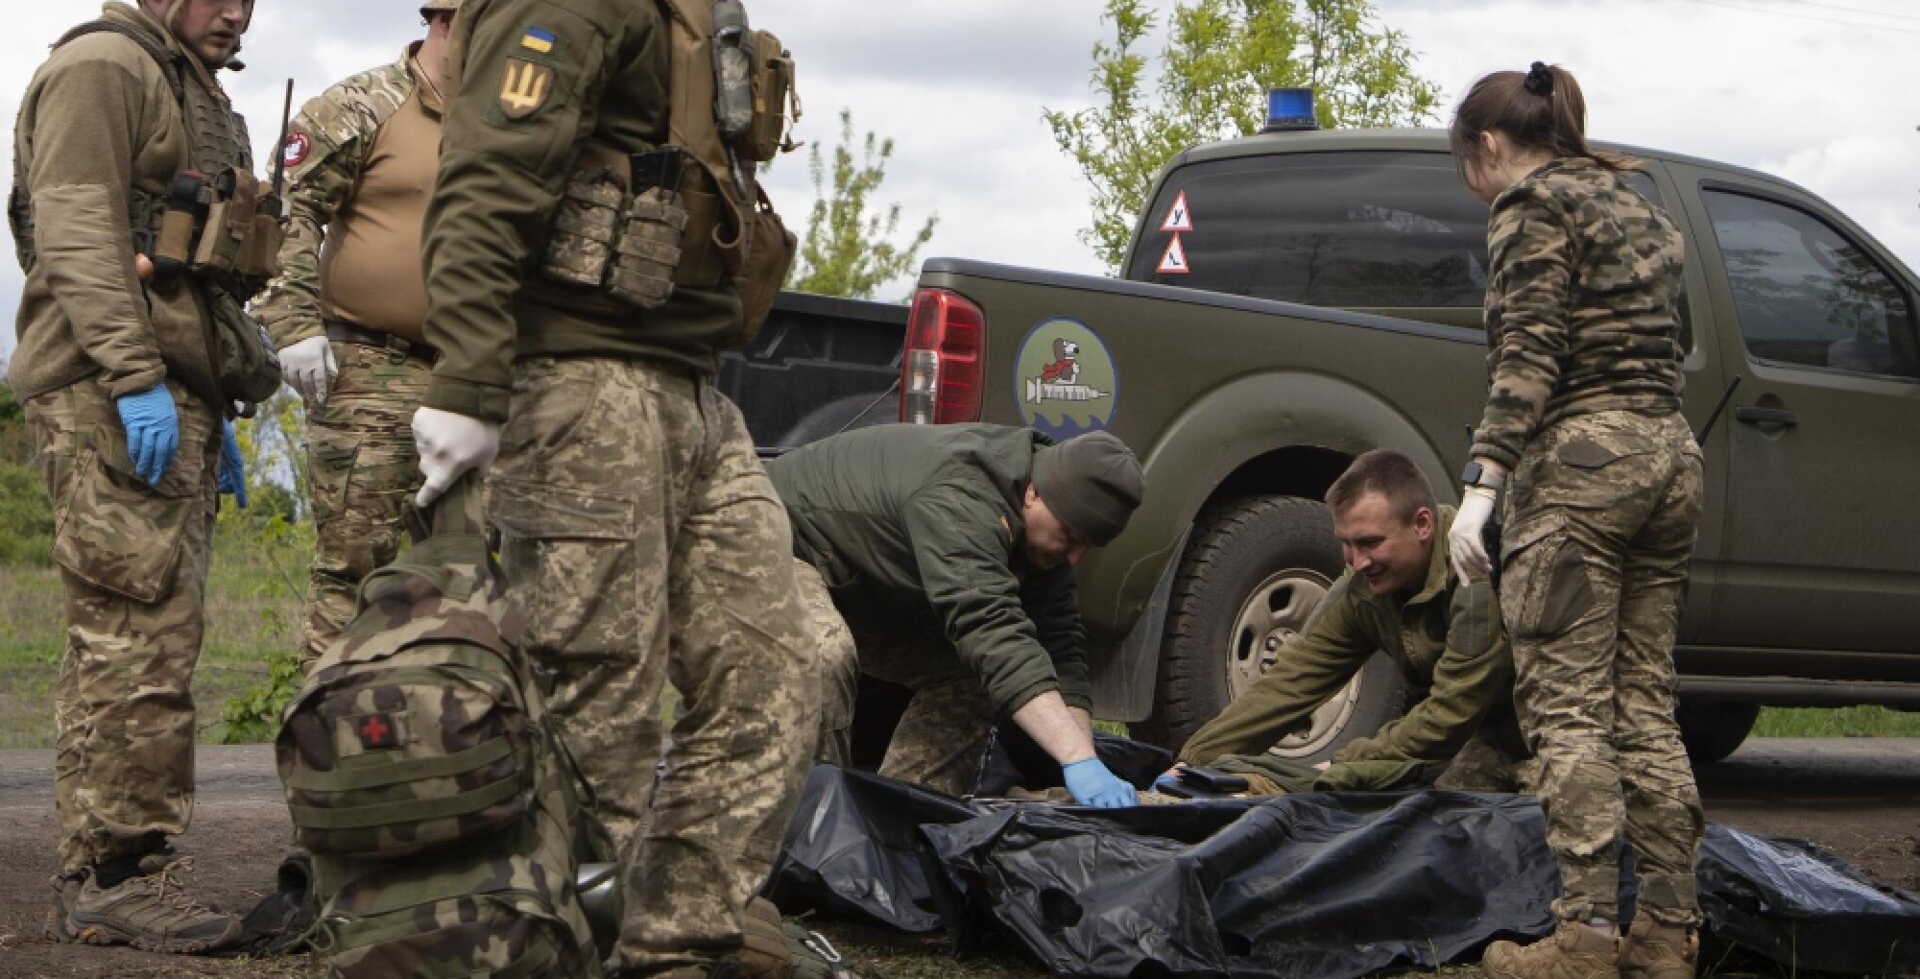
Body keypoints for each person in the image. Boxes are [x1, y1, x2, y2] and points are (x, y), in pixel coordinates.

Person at [409, 2, 815, 976]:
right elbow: (485, 181)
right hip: (582, 380)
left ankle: (672, 939)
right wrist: (468, 382)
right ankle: (559, 949)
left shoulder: (704, 12)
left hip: (696, 388)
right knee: (599, 704)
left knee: (781, 670)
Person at [9, 0, 264, 954]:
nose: (236, 10)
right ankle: (119, 873)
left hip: (166, 389)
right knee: (134, 633)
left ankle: (108, 868)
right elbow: (74, 230)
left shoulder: (185, 84)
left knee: (144, 629)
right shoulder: (108, 66)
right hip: (111, 391)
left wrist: (209, 394)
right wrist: (136, 376)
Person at [1446, 63, 1704, 979]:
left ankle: (1584, 936)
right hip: (1668, 457)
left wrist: (1482, 486)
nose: (1471, 187)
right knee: (1646, 705)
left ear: (1488, 143)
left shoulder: (1529, 207)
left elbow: (1529, 350)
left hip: (1584, 470)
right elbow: (1666, 345)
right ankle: (1668, 933)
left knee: (1569, 709)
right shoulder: (1637, 201)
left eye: (1465, 164)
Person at [769, 424, 1148, 807]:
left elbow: (1060, 648)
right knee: (820, 652)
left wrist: (1086, 759)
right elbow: (988, 628)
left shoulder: (1044, 531)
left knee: (977, 676)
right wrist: (1075, 758)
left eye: (1086, 545)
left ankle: (902, 817)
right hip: (770, 539)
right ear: (1033, 492)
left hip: (856, 578)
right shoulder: (963, 496)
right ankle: (805, 825)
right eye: (1070, 535)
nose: (1073, 557)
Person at [253, 0, 459, 671]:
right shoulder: (365, 104)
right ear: (445, 20)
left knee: (457, 576)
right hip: (370, 370)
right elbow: (285, 209)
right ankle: (330, 759)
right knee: (356, 571)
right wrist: (292, 324)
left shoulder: (510, 125)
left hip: (474, 379)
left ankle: (432, 751)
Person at [1168, 450, 1530, 796]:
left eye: (1370, 543)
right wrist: (1193, 761)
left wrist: (1345, 765)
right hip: (1489, 735)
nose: (1358, 562)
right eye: (1347, 544)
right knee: (1441, 822)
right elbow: (1291, 682)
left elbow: (1453, 711)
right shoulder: (1364, 590)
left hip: (1556, 725)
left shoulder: (1475, 569)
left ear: (1422, 524)